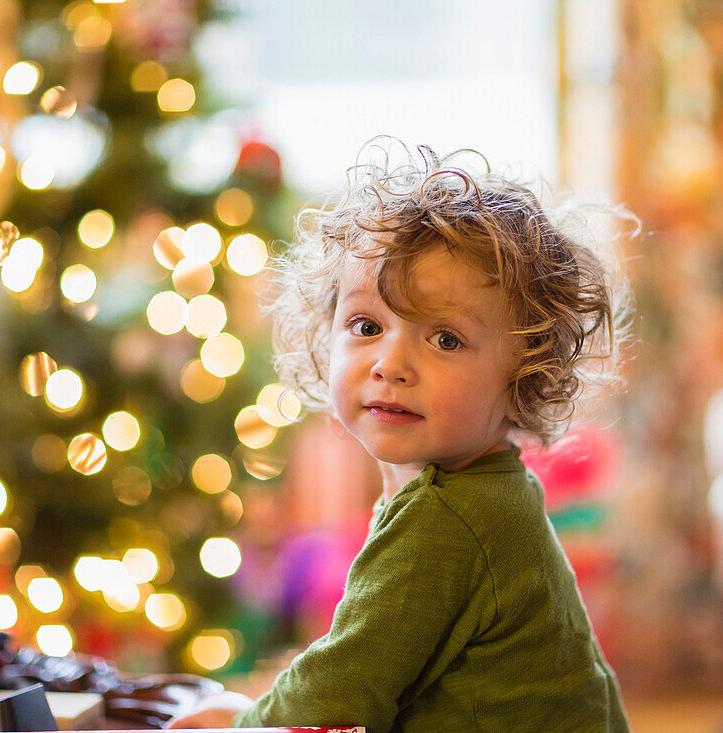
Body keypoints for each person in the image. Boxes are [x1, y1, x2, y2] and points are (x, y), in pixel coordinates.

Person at [169, 140, 632, 732]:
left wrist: (239, 725)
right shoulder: (480, 490)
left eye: (444, 339)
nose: (390, 363)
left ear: (525, 373)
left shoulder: (449, 520)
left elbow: (337, 694)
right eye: (366, 326)